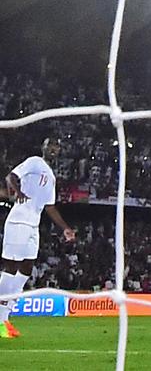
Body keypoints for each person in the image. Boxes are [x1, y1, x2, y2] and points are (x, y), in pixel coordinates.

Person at [0, 139, 74, 340]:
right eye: (51, 145)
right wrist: (18, 191)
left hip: (33, 225)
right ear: (43, 147)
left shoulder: (51, 176)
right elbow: (11, 176)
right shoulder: (34, 162)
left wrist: (65, 228)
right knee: (12, 267)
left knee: (26, 269)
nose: (54, 149)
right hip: (19, 221)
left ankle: (5, 318)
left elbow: (49, 207)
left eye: (57, 146)